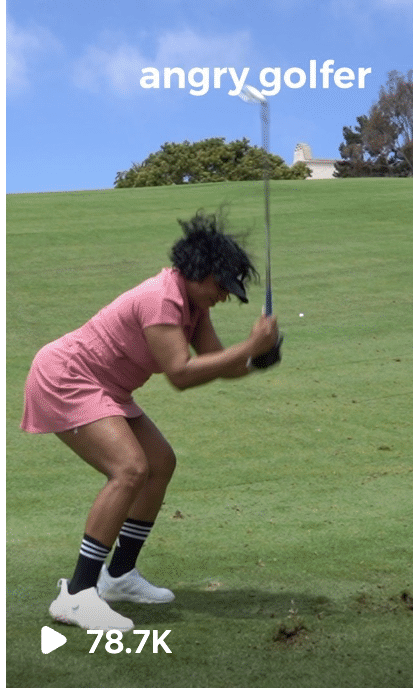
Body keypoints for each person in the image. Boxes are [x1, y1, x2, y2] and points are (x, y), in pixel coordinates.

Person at [24, 211, 281, 630]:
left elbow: (217, 363)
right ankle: (76, 594)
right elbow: (180, 374)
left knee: (160, 463)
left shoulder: (193, 306)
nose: (224, 297)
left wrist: (258, 358)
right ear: (200, 273)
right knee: (129, 469)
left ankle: (119, 576)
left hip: (106, 387)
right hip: (67, 377)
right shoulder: (162, 297)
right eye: (222, 287)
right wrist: (248, 346)